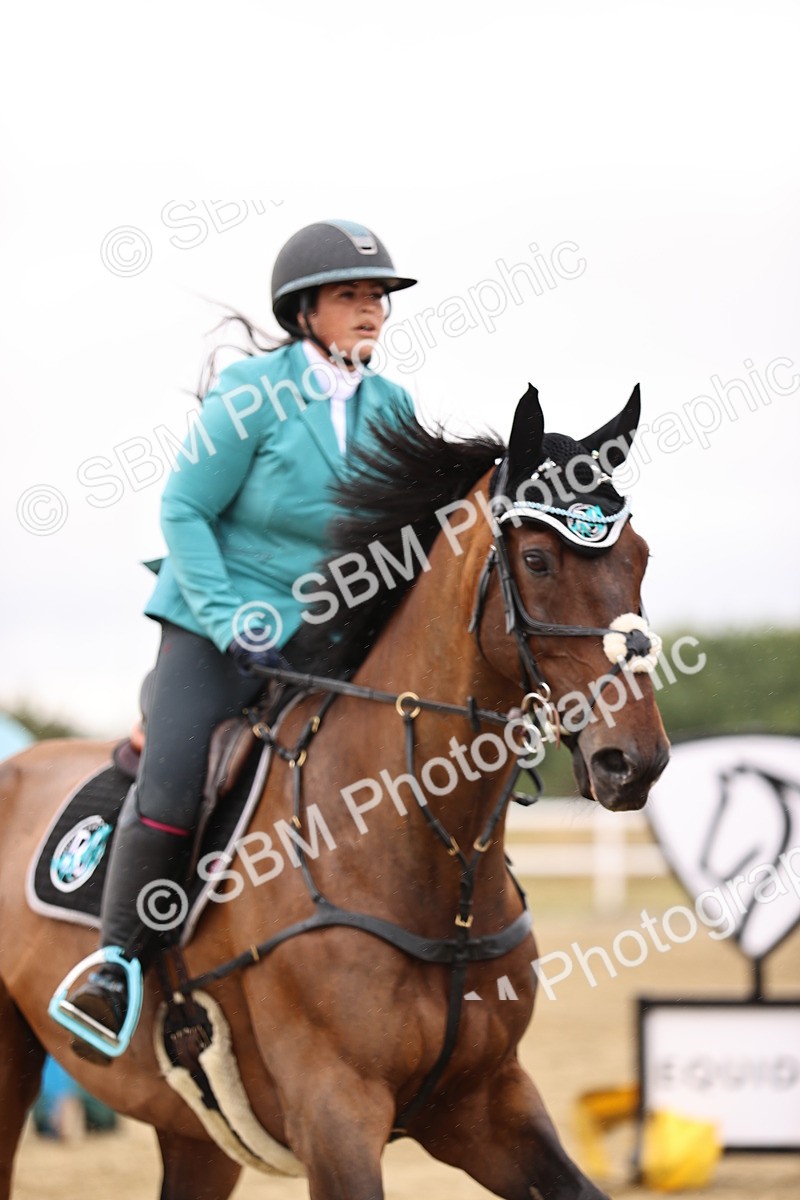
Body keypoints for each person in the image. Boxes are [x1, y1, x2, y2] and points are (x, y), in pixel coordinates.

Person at [52, 220, 416, 1065]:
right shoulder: (254, 392)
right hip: (216, 626)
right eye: (351, 296)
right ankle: (115, 969)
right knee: (178, 784)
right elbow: (184, 510)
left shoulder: (392, 407)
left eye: (378, 298)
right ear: (305, 310)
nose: (371, 310)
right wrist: (229, 620)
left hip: (324, 637)